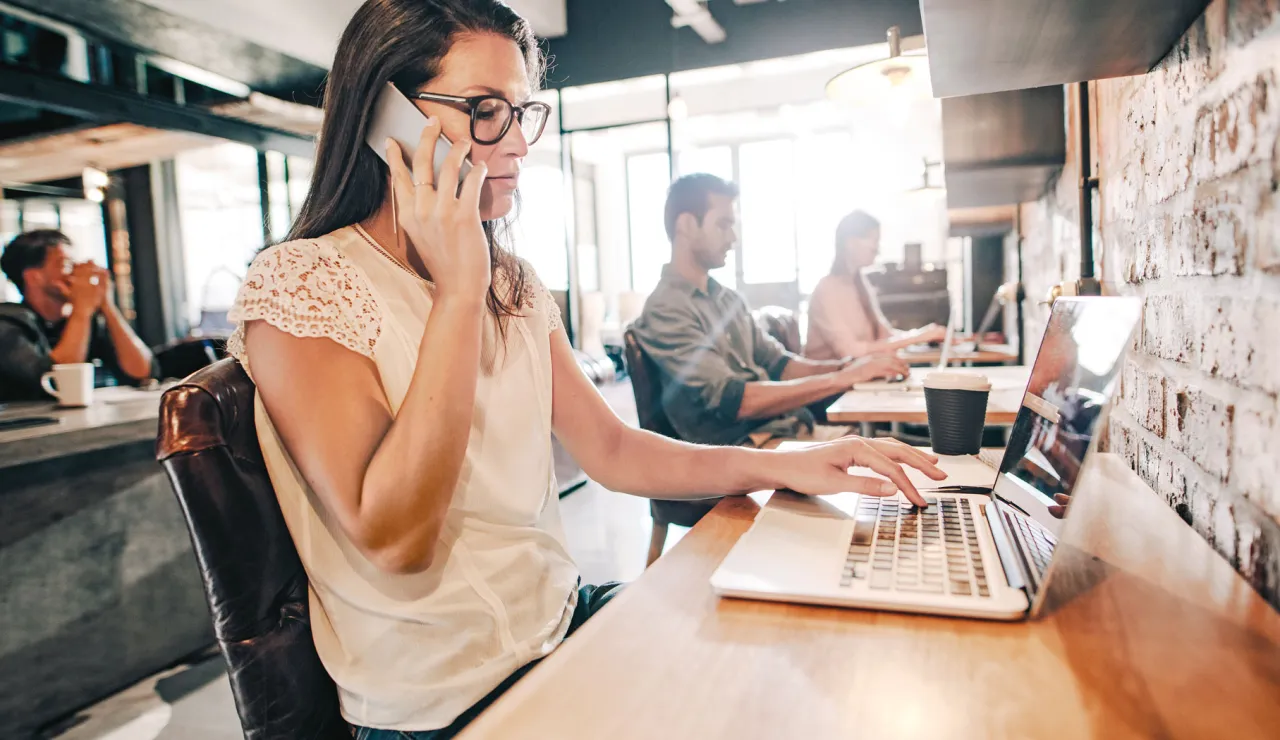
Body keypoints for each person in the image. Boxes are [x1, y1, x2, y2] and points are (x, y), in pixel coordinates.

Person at [225, 2, 945, 738]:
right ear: (388, 117)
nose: (516, 145)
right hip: (443, 702)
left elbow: (613, 450)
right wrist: (460, 291)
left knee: (808, 673)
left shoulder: (516, 283)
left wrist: (787, 465)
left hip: (563, 623)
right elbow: (395, 540)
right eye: (484, 111)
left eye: (520, 113)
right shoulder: (301, 284)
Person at [630, 175, 909, 448]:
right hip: (741, 453)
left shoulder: (729, 300)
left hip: (784, 433)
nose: (733, 238)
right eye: (723, 225)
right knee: (884, 460)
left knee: (895, 454)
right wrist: (843, 378)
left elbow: (781, 365)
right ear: (687, 225)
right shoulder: (666, 309)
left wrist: (849, 368)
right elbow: (735, 401)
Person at [0, 229, 154, 402]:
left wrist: (107, 306)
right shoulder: (7, 323)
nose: (75, 273)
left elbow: (142, 373)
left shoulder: (82, 320)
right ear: (34, 277)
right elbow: (56, 384)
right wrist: (82, 309)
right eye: (67, 264)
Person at [804, 210, 949, 362]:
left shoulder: (860, 283)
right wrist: (917, 338)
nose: (877, 249)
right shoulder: (826, 290)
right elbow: (849, 351)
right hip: (831, 379)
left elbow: (886, 336)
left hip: (859, 376)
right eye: (874, 240)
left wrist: (925, 336)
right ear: (850, 242)